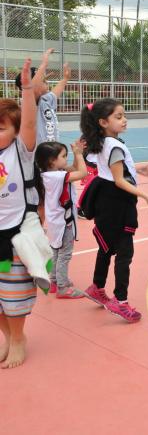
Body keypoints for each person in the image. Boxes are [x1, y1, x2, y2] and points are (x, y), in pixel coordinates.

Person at [80, 98, 148, 322]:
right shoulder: (114, 145)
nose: (124, 120)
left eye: (124, 115)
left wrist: (138, 169)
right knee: (125, 253)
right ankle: (120, 301)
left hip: (106, 200)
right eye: (119, 116)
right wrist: (145, 194)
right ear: (103, 122)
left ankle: (97, 287)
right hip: (118, 202)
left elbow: (111, 169)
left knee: (106, 248)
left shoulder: (103, 141)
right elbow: (118, 180)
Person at [0, 57, 47, 368]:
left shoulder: (21, 151)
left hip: (15, 234)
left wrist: (28, 89)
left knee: (13, 291)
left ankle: (18, 337)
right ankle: (9, 337)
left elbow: (30, 122)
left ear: (15, 131)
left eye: (0, 127)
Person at [36, 140, 87, 298]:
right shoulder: (58, 176)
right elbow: (82, 173)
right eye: (64, 156)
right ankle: (63, 287)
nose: (66, 159)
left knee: (56, 250)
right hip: (64, 222)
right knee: (65, 253)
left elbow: (73, 169)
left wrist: (77, 155)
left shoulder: (48, 175)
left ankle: (54, 281)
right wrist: (79, 154)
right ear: (52, 161)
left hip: (54, 221)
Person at [14, 48, 69, 145]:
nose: (46, 82)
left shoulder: (45, 99)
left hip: (52, 152)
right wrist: (44, 63)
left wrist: (65, 79)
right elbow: (33, 90)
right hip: (38, 155)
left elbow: (56, 92)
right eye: (43, 81)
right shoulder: (30, 103)